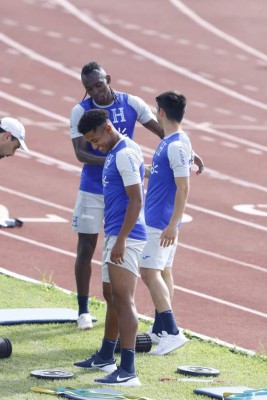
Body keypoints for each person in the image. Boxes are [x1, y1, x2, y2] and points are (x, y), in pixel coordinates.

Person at [70, 61, 204, 329]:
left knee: (132, 260)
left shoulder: (131, 103)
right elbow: (80, 153)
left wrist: (188, 153)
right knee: (86, 247)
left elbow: (164, 131)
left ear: (107, 79)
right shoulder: (81, 111)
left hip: (125, 188)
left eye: (98, 85)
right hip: (93, 189)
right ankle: (83, 310)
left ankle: (156, 324)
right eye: (89, 88)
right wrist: (114, 161)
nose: (95, 92)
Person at [74, 109, 146, 387]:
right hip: (114, 233)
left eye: (95, 139)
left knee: (124, 300)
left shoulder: (125, 153)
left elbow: (136, 200)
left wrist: (122, 240)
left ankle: (128, 370)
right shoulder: (116, 152)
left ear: (107, 127)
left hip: (126, 237)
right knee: (111, 295)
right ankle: (106, 355)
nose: (95, 146)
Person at [139, 91, 192, 356]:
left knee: (149, 272)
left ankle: (172, 332)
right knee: (163, 272)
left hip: (160, 222)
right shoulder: (170, 141)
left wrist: (172, 225)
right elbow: (164, 176)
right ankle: (161, 329)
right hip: (160, 218)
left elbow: (184, 187)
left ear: (161, 112)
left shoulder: (176, 145)